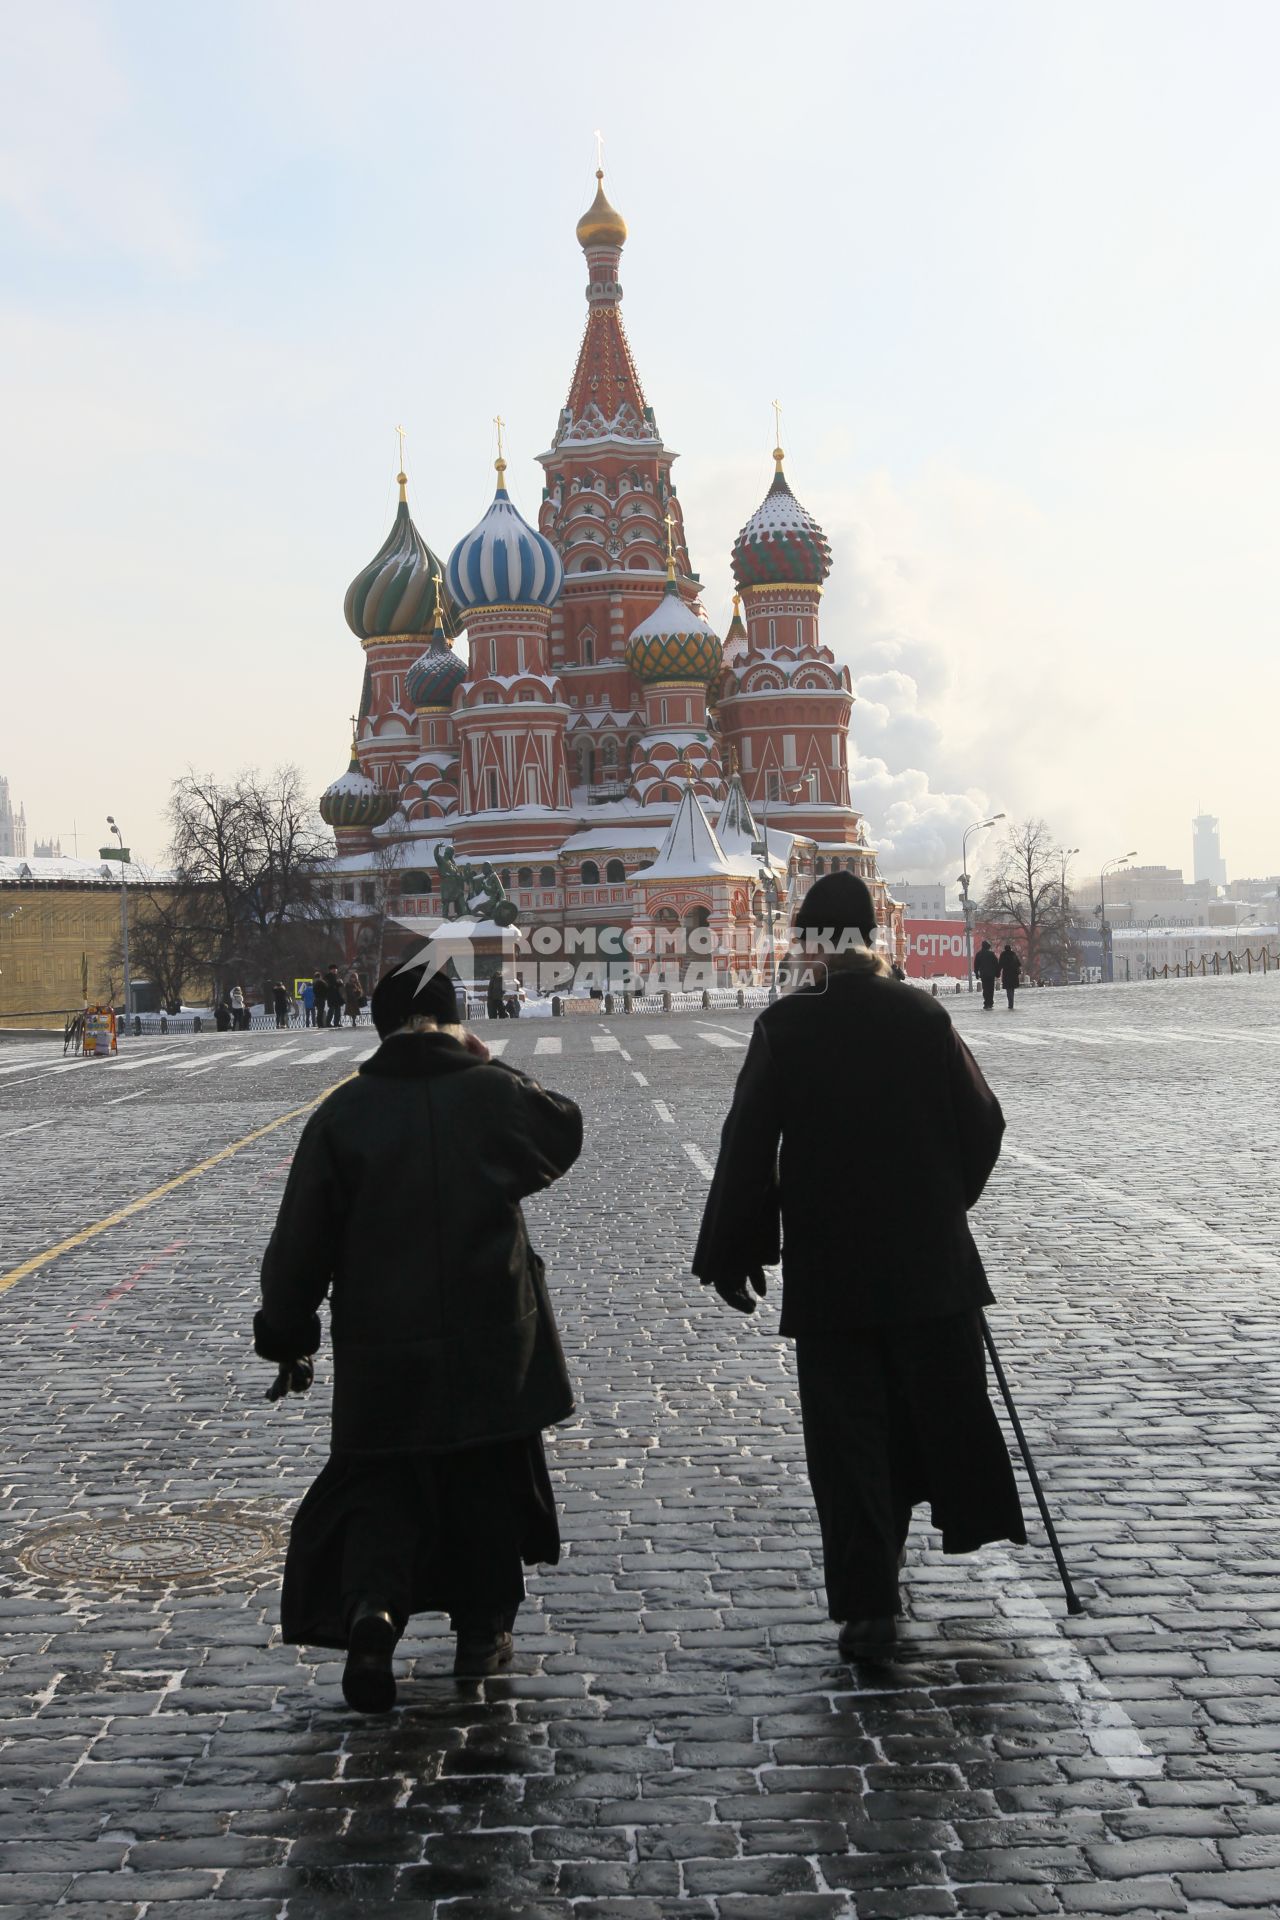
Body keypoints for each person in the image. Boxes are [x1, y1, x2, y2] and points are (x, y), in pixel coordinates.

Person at [692, 871, 1025, 1663]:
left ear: (811, 945)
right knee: (925, 1420)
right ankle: (898, 1563)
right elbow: (983, 1124)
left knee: (848, 1440)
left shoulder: (785, 1027)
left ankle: (869, 1604)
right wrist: (946, 1206)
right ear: (872, 941)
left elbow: (747, 1147)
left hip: (832, 1269)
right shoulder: (921, 1013)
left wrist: (735, 1251)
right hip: (928, 1268)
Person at [254, 960, 582, 1708]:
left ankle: (374, 1613)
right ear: (454, 1020)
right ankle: (481, 1634)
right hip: (494, 1336)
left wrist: (286, 1336)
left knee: (384, 1483)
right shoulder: (493, 1095)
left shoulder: (342, 1115)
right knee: (485, 1476)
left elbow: (299, 1245)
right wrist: (485, 1061)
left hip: (382, 1344)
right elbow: (563, 1130)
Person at [973, 939, 999, 1011]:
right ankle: (990, 1002)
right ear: (988, 947)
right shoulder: (991, 954)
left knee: (985, 988)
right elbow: (996, 964)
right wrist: (997, 973)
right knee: (991, 989)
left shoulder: (979, 954)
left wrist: (976, 973)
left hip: (983, 974)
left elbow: (976, 965)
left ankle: (986, 1002)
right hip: (991, 974)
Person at [999, 943, 1022, 1011]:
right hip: (1013, 974)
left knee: (1008, 990)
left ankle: (1010, 1003)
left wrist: (997, 972)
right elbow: (1018, 963)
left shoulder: (1003, 954)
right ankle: (1011, 1003)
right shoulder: (1013, 954)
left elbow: (1000, 964)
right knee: (1012, 989)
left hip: (1006, 974)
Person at [323, 965, 344, 1030]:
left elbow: (336, 985)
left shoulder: (335, 976)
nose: (335, 970)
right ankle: (328, 1023)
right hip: (331, 996)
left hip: (336, 996)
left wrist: (340, 983)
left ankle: (336, 1023)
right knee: (332, 1010)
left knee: (337, 1009)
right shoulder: (327, 977)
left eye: (336, 969)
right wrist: (337, 983)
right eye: (333, 969)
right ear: (330, 970)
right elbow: (329, 985)